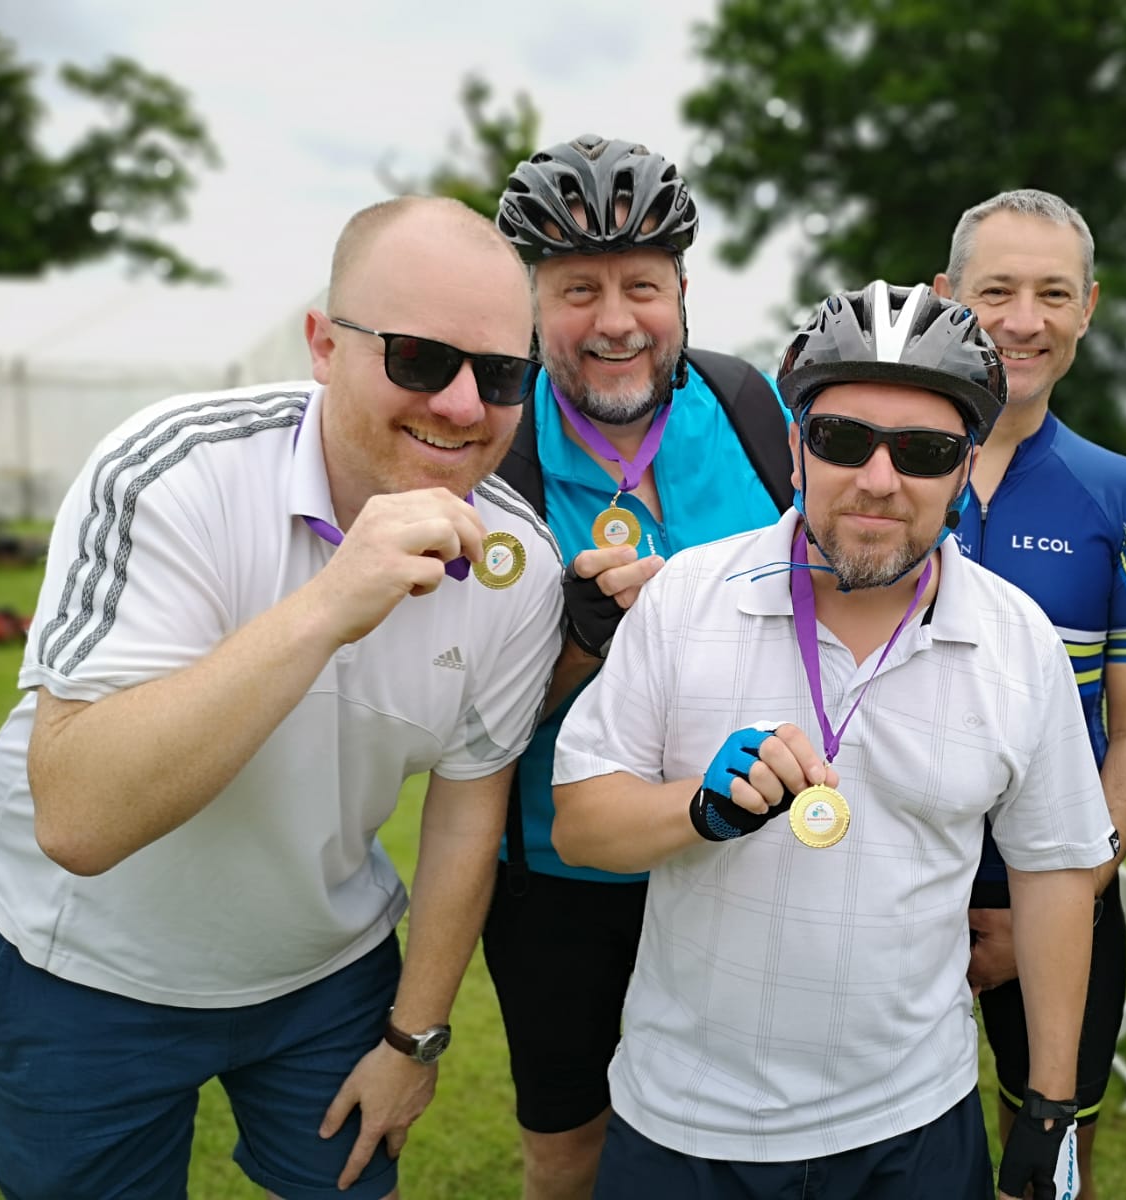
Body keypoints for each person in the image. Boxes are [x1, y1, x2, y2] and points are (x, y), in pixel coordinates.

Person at [0, 196, 564, 1200]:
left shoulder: (520, 565)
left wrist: (415, 1040)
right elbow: (78, 816)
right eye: (421, 359)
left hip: (324, 979)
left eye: (502, 374)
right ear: (322, 345)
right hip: (79, 974)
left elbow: (470, 803)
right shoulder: (173, 469)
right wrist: (331, 601)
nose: (465, 407)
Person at [550, 281, 1116, 1200]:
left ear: (965, 467)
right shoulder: (689, 596)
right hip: (685, 1121)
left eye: (925, 451)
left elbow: (1055, 878)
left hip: (913, 1123)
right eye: (843, 440)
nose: (880, 481)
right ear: (795, 448)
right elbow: (579, 822)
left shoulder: (1019, 640)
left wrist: (1050, 1106)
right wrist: (696, 808)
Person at [480, 133, 790, 1200]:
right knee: (569, 1150)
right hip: (557, 876)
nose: (614, 321)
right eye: (577, 290)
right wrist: (574, 648)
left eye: (640, 286)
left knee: (746, 1136)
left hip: (738, 856)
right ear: (531, 298)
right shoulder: (490, 444)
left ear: (682, 290)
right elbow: (446, 726)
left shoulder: (753, 409)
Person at [931, 189, 1126, 1197]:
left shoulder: (1123, 495)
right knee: (892, 1144)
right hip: (894, 888)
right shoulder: (870, 465)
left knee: (1046, 1160)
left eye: (1051, 294)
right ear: (947, 297)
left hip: (1063, 888)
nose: (1023, 320)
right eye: (996, 291)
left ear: (1088, 307)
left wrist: (1061, 894)